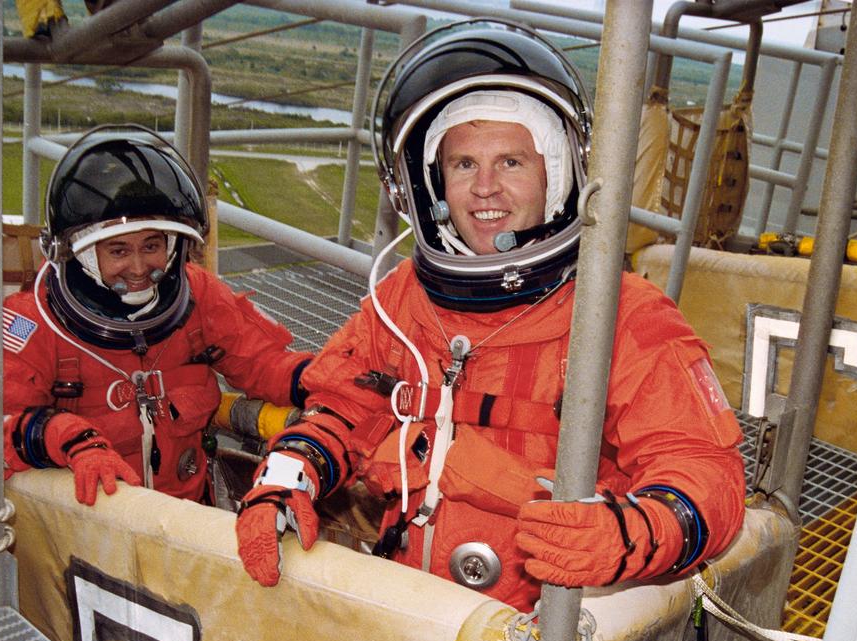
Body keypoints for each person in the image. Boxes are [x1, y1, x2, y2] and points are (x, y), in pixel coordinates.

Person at [235, 21, 746, 610]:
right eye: (463, 165)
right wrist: (288, 475)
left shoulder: (622, 314)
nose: (485, 189)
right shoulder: (401, 300)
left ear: (556, 177)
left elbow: (707, 475)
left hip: (543, 634)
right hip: (413, 605)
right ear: (430, 187)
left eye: (510, 162)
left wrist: (633, 533)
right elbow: (344, 408)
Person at [0, 126, 312, 505]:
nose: (139, 268)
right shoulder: (34, 323)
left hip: (189, 511)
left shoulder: (197, 294)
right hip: (94, 526)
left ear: (172, 245)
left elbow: (263, 363)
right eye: (118, 251)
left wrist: (320, 380)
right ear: (84, 255)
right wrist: (67, 438)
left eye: (152, 245)